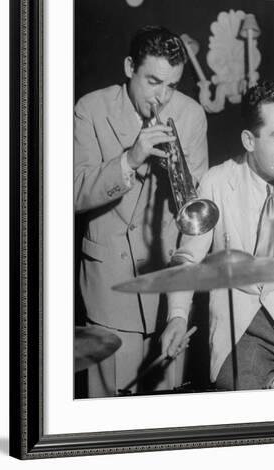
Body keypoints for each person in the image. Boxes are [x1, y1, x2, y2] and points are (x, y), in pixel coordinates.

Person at [161, 81, 274, 390]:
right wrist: (176, 316)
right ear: (249, 140)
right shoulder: (216, 182)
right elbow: (188, 258)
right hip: (241, 330)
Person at [74, 26, 209, 396]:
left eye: (173, 85)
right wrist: (130, 159)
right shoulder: (90, 109)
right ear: (129, 66)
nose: (163, 97)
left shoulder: (192, 116)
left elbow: (193, 215)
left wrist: (180, 309)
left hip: (166, 291)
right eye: (153, 82)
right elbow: (72, 193)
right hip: (108, 292)